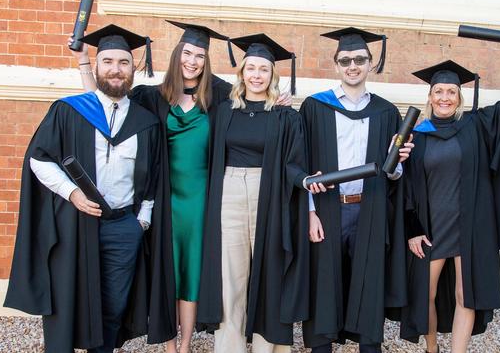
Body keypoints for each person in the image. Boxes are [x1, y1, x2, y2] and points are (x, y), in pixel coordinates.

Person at [69, 20, 294, 352]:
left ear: (206, 61)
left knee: (191, 274)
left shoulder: (218, 96)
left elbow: (254, 101)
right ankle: (169, 345)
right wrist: (85, 63)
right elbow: (102, 99)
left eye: (200, 56)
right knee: (168, 272)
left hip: (204, 200)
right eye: (187, 53)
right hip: (165, 200)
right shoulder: (152, 97)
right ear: (177, 56)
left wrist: (277, 103)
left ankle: (186, 345)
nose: (192, 61)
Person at [4, 24, 161, 353]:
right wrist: (71, 192)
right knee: (69, 300)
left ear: (133, 68)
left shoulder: (147, 122)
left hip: (123, 226)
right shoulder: (70, 111)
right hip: (77, 224)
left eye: (123, 62)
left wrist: (141, 221)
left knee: (114, 305)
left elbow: (154, 177)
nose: (115, 69)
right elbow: (39, 159)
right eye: (108, 62)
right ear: (98, 65)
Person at [400, 36, 500, 353]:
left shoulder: (477, 124)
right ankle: (432, 348)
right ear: (430, 96)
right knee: (424, 295)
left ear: (459, 96)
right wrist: (413, 229)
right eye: (439, 91)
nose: (445, 97)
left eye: (451, 92)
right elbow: (406, 186)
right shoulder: (416, 134)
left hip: (471, 225)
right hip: (432, 227)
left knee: (464, 294)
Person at [299, 27, 413, 353]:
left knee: (368, 285)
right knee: (325, 287)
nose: (353, 66)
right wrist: (309, 213)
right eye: (346, 60)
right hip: (326, 209)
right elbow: (303, 166)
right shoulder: (314, 108)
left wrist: (399, 162)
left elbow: (394, 176)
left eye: (360, 59)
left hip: (370, 208)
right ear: (336, 64)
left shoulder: (386, 112)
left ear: (370, 64)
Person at [196, 33, 310, 353]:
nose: (256, 75)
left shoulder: (285, 115)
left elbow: (293, 162)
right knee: (230, 277)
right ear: (241, 72)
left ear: (273, 75)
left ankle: (267, 347)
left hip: (269, 194)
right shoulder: (223, 110)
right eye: (251, 68)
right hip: (228, 193)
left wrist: (303, 180)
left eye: (263, 69)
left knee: (269, 271)